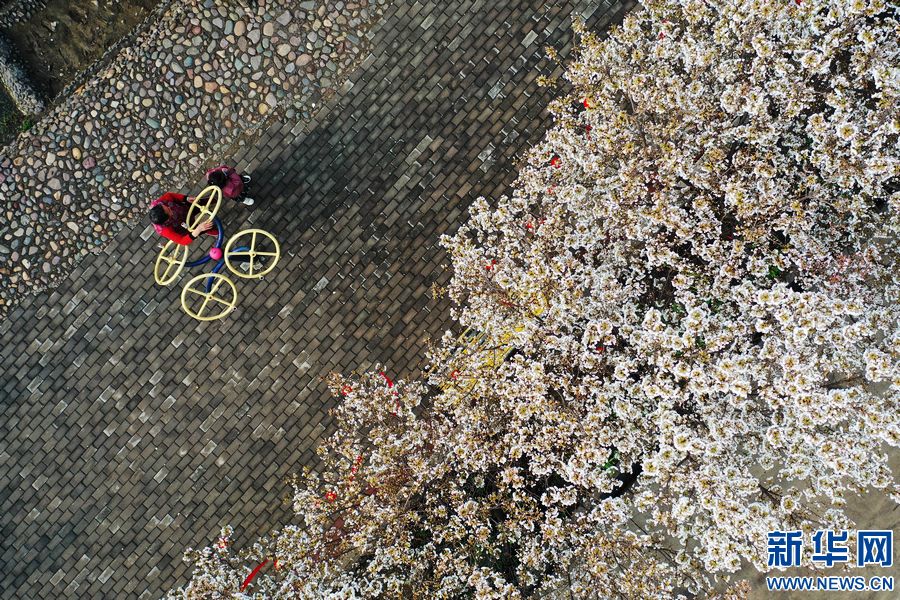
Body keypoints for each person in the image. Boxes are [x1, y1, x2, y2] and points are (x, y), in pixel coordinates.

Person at [149, 192, 216, 246]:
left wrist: (186, 198)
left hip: (184, 209)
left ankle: (214, 199)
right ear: (167, 220)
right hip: (182, 225)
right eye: (169, 211)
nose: (169, 207)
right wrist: (198, 229)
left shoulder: (160, 203)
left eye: (166, 206)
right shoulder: (165, 230)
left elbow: (170, 195)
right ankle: (212, 230)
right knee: (202, 228)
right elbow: (182, 241)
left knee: (200, 203)